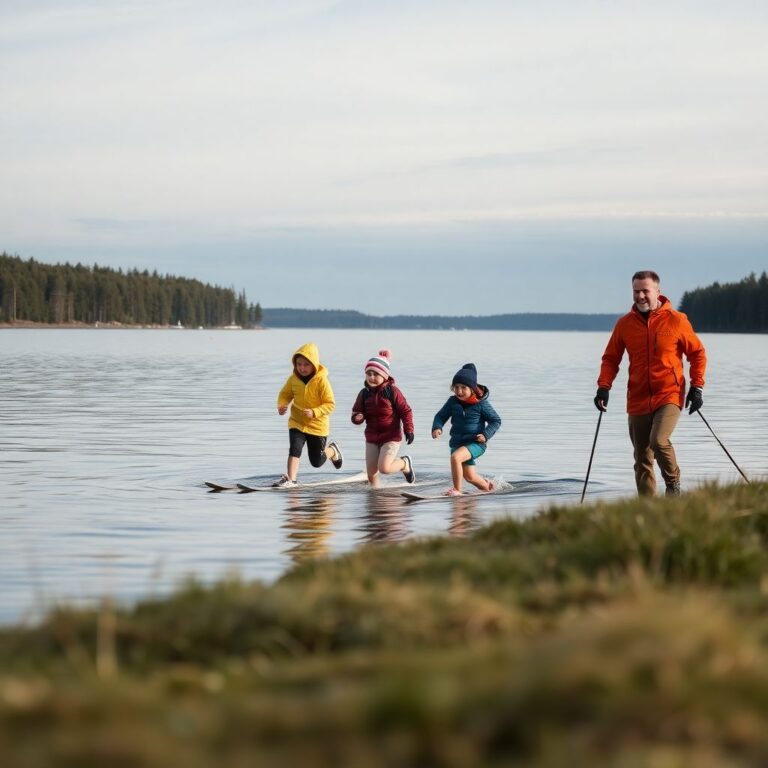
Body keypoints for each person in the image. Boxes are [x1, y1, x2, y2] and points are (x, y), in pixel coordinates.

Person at [594, 270, 707, 496]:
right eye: (636, 291)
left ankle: (673, 485)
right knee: (642, 457)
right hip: (637, 398)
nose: (640, 296)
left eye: (645, 291)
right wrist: (603, 387)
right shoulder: (625, 324)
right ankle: (647, 508)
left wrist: (697, 387)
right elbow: (611, 358)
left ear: (658, 291)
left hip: (669, 394)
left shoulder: (676, 320)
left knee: (658, 441)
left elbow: (697, 354)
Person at [274, 342, 343, 487]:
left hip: (317, 426)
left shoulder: (322, 381)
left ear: (314, 365)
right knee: (294, 449)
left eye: (306, 364)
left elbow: (330, 404)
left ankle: (332, 449)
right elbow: (285, 394)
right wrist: (282, 404)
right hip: (297, 422)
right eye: (299, 364)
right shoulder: (293, 379)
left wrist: (314, 412)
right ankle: (291, 480)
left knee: (316, 462)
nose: (302, 368)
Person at [431, 363, 501, 496]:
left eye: (463, 387)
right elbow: (440, 416)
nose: (459, 391)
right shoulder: (452, 402)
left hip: (475, 443)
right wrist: (437, 427)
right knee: (470, 477)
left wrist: (486, 435)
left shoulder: (481, 404)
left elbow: (496, 420)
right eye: (456, 387)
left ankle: (457, 490)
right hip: (457, 443)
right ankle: (489, 487)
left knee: (455, 458)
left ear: (472, 389)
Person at [351, 349, 416, 487]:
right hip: (372, 437)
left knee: (384, 468)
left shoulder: (392, 391)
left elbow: (406, 411)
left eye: (376, 374)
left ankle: (404, 463)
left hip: (391, 436)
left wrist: (409, 430)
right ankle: (375, 496)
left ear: (385, 376)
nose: (371, 377)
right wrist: (358, 417)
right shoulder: (364, 394)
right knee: (371, 474)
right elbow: (356, 411)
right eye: (369, 374)